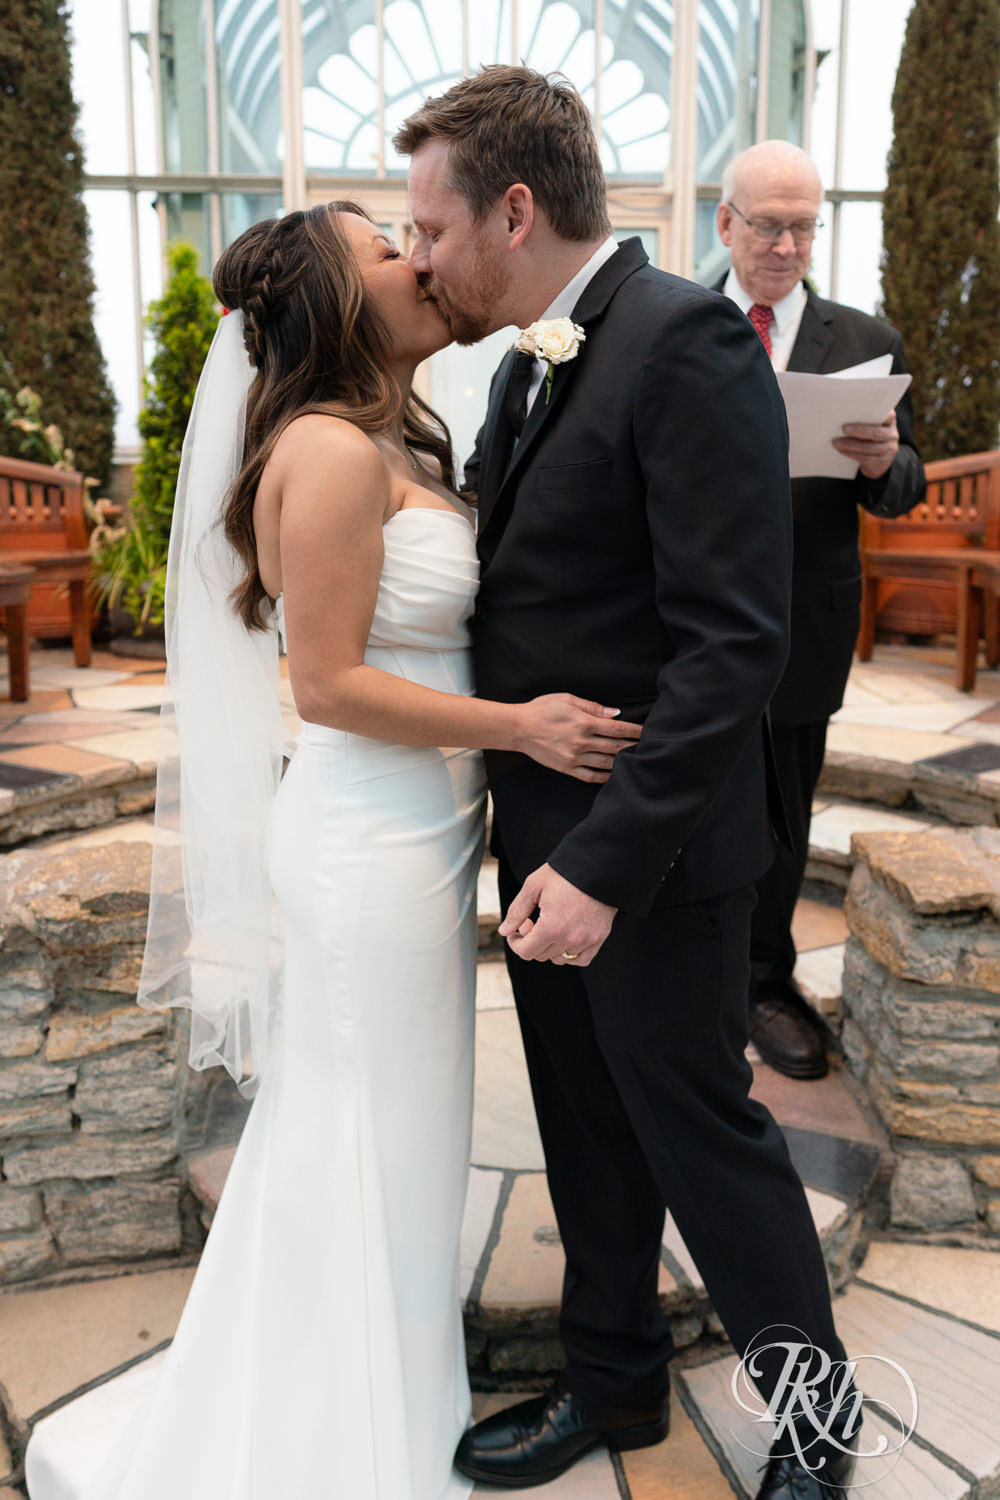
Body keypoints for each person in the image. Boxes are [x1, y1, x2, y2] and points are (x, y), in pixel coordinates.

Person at [23, 202, 643, 1500]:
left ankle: (392, 1398)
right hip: (366, 848)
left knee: (403, 1137)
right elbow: (336, 683)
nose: (420, 259)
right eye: (383, 251)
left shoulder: (396, 436)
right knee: (357, 1130)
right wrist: (522, 724)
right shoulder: (328, 451)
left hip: (418, 840)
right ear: (331, 303)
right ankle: (327, 1435)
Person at [396, 69, 860, 1499]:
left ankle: (820, 1418)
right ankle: (615, 1387)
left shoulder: (686, 341)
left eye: (430, 228)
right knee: (586, 1130)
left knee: (703, 1136)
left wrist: (605, 863)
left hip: (647, 855)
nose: (418, 259)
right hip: (542, 834)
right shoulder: (536, 354)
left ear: (514, 210)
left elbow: (739, 645)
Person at [715, 141, 925, 1081]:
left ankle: (764, 981)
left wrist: (884, 463)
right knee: (690, 794)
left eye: (805, 227)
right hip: (694, 618)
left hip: (808, 618)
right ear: (726, 224)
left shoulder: (864, 339)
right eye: (770, 225)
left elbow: (903, 488)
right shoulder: (676, 323)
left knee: (785, 812)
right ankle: (697, 975)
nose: (789, 245)